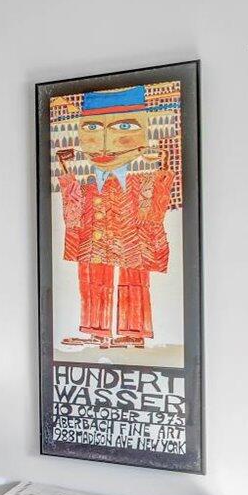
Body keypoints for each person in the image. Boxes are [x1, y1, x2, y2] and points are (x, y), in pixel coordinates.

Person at [56, 86, 173, 350]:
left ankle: (134, 332)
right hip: (95, 237)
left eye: (123, 128)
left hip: (131, 237)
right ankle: (97, 331)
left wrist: (163, 166)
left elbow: (156, 206)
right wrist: (65, 170)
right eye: (93, 129)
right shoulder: (88, 180)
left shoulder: (139, 179)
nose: (106, 144)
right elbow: (74, 205)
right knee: (93, 279)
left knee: (134, 278)